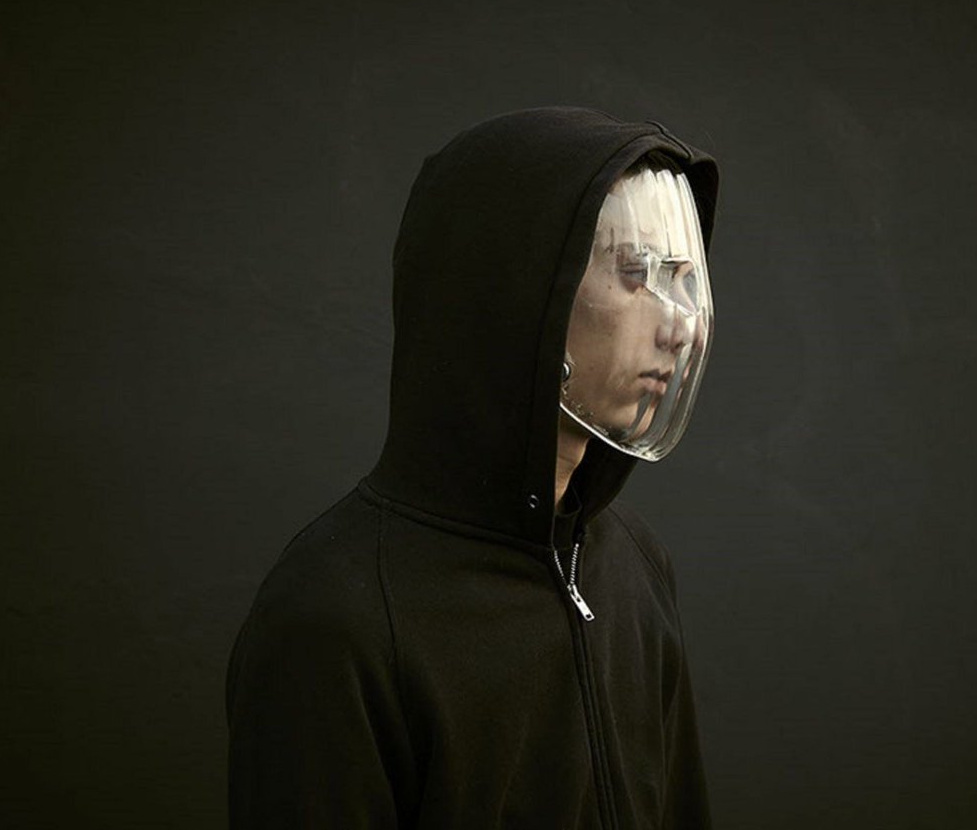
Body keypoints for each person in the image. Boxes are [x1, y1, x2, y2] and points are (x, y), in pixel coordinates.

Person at [226, 106, 720, 829]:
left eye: (680, 278)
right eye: (635, 273)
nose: (678, 326)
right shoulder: (333, 619)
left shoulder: (634, 566)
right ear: (516, 291)